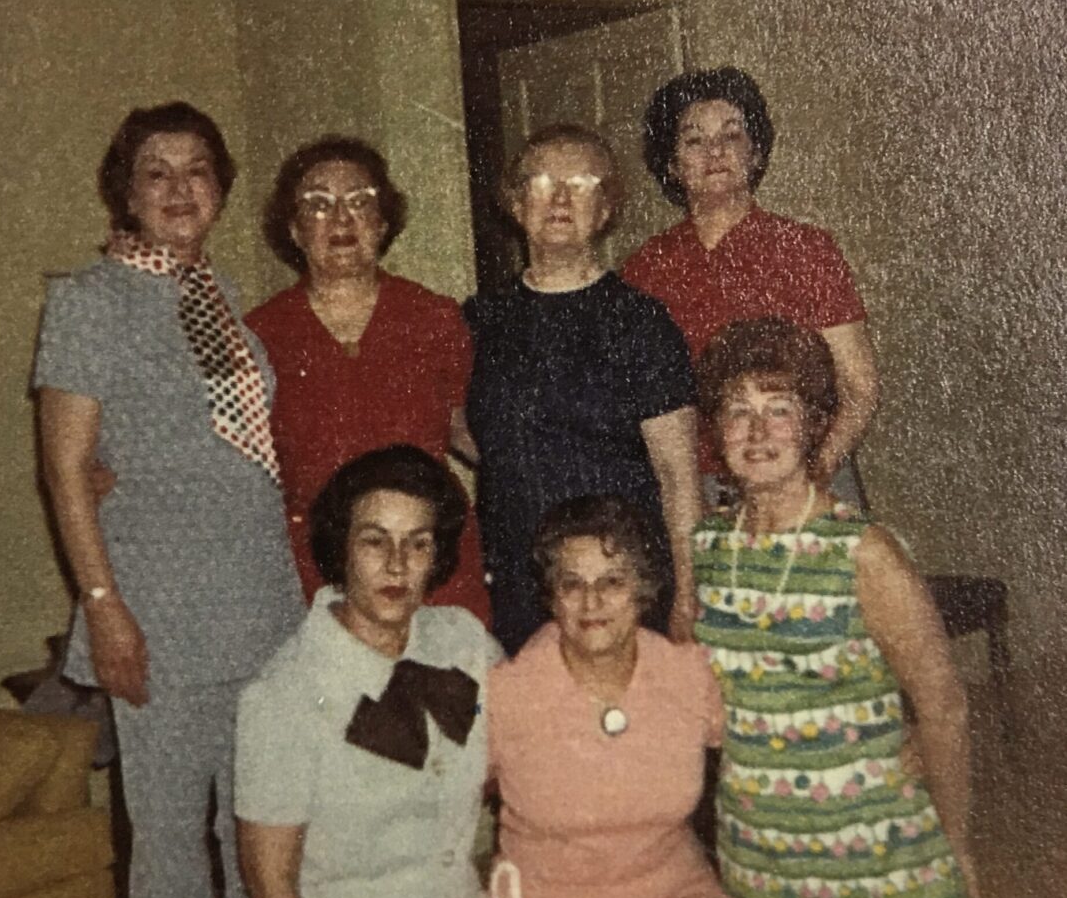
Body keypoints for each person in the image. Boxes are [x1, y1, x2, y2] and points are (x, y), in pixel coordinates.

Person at [691, 317, 1060, 898]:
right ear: (716, 428)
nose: (758, 430)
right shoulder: (708, 547)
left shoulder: (864, 553)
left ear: (815, 424)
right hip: (759, 869)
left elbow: (945, 707)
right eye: (739, 410)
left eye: (780, 409)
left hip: (875, 871)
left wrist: (956, 848)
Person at [34, 102, 305, 898]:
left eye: (198, 171)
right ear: (127, 189)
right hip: (155, 606)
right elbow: (66, 467)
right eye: (158, 171)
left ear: (221, 190)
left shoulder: (221, 299)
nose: (180, 189)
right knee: (168, 848)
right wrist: (104, 607)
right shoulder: (87, 299)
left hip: (260, 601)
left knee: (256, 838)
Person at [232, 445, 541, 898]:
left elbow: (534, 739)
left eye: (418, 543)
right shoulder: (283, 698)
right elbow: (271, 888)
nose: (397, 565)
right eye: (375, 541)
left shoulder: (463, 643)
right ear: (341, 550)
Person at [486, 494, 794, 898]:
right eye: (572, 584)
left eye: (612, 582)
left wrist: (893, 743)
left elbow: (774, 734)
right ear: (552, 597)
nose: (591, 602)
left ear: (644, 590)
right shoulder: (509, 693)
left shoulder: (686, 675)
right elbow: (431, 794)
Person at [463, 124, 702, 653]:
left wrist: (689, 593)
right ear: (516, 203)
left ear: (607, 207)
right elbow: (466, 430)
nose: (561, 198)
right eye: (543, 182)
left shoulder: (641, 323)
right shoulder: (478, 320)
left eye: (582, 182)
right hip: (521, 582)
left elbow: (678, 475)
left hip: (620, 588)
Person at [245, 137, 488, 621]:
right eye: (318, 204)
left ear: (382, 222)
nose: (340, 219)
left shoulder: (432, 316)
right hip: (318, 566)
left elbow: (468, 431)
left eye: (360, 201)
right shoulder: (258, 334)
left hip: (431, 558)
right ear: (294, 228)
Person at [623, 66, 878, 507]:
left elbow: (859, 386)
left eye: (731, 135)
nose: (715, 151)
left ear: (756, 153)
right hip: (696, 493)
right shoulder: (645, 268)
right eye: (694, 140)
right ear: (672, 164)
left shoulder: (806, 249)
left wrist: (814, 474)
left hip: (807, 479)